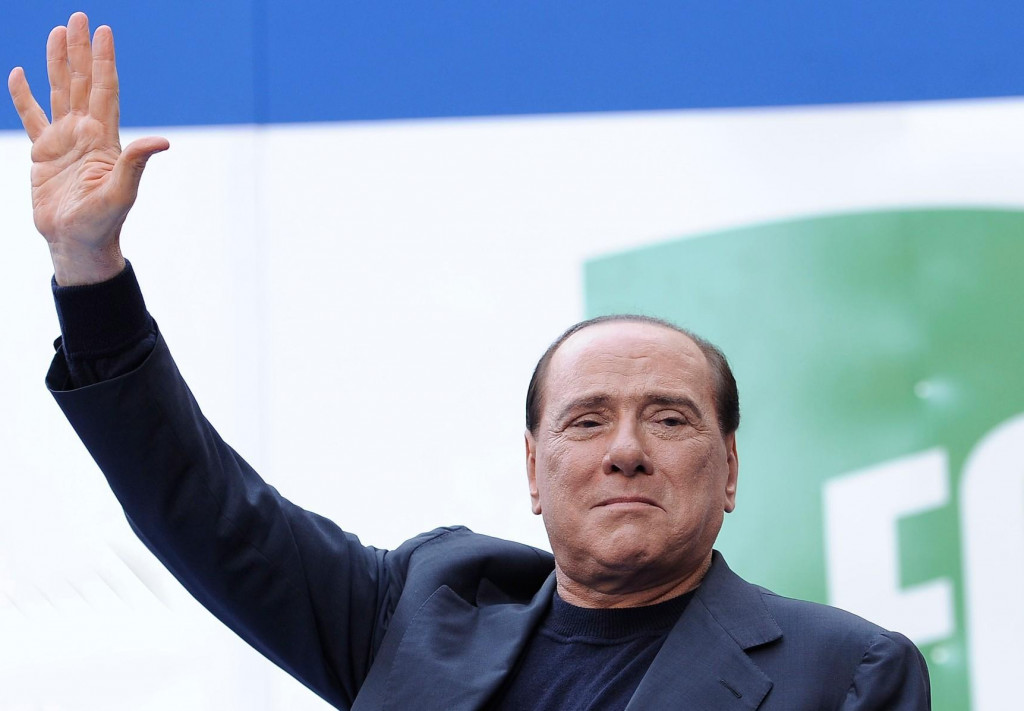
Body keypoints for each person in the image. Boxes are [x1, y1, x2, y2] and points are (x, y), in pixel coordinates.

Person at [9, 12, 931, 710]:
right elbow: (201, 507)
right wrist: (89, 267)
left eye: (669, 417)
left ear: (729, 468)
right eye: (586, 419)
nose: (626, 450)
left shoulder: (845, 670)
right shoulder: (418, 609)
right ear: (533, 469)